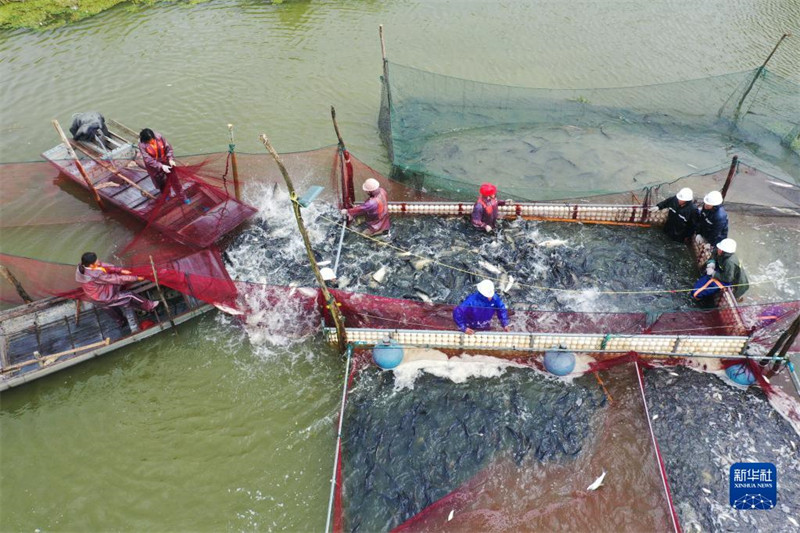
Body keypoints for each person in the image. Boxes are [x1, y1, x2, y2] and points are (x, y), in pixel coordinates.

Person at [75, 252, 159, 331]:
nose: (99, 261)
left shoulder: (82, 266)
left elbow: (103, 265)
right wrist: (136, 278)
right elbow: (116, 279)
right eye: (96, 261)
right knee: (130, 296)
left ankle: (121, 322)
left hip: (94, 297)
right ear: (91, 265)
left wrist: (120, 270)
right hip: (105, 297)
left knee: (110, 309)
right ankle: (150, 306)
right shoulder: (96, 275)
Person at [138, 128, 186, 201]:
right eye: (149, 140)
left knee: (175, 180)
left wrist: (170, 159)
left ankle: (182, 197)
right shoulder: (142, 145)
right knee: (161, 182)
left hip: (166, 161)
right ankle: (166, 195)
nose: (152, 141)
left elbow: (168, 148)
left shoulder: (159, 137)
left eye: (152, 139)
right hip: (154, 166)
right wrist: (161, 166)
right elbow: (148, 159)